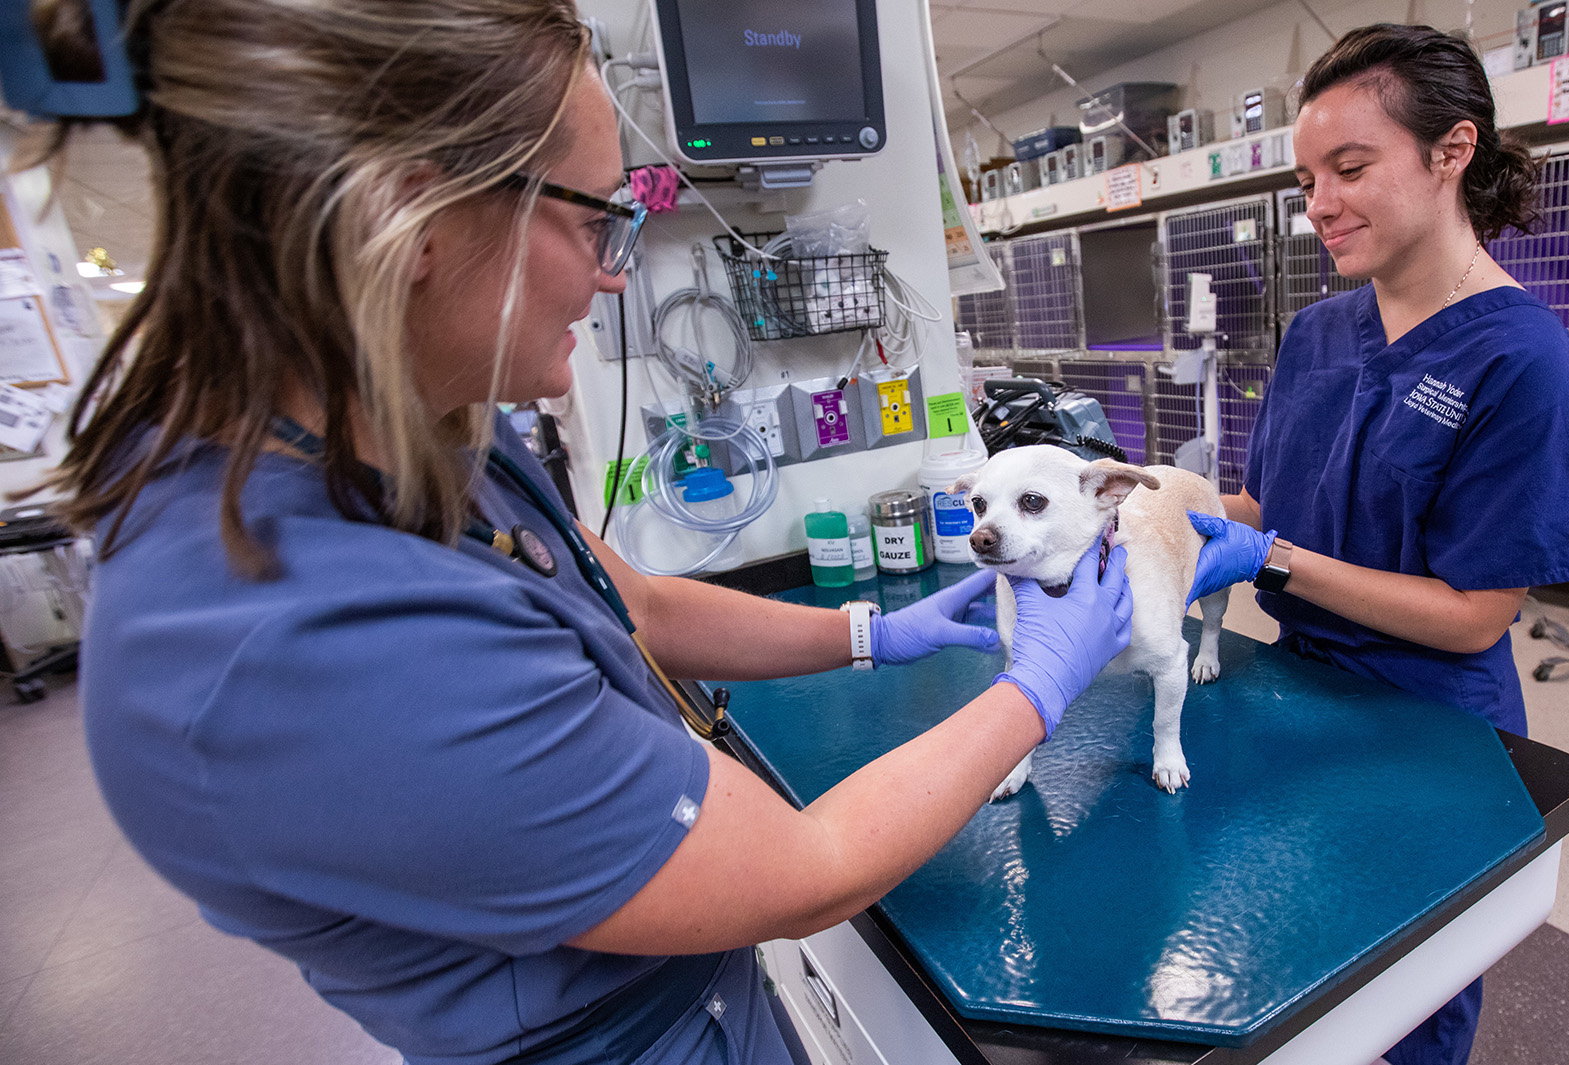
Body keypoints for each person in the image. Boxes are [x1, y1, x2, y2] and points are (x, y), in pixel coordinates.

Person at [33, 2, 1132, 1063]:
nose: (615, 273)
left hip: (696, 1007)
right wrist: (1036, 687)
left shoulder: (419, 431)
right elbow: (807, 869)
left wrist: (864, 633)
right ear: (404, 217)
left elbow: (632, 602)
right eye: (596, 216)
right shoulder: (295, 637)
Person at [1182, 24, 1569, 1065]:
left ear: (1450, 152)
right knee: (1288, 963)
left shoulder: (1522, 358)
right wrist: (1155, 513)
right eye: (1307, 175)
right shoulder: (1318, 334)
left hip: (1427, 730)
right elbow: (1258, 502)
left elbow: (1471, 619)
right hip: (1293, 698)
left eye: (1350, 168)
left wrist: (1268, 559)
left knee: (1402, 1005)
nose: (1318, 202)